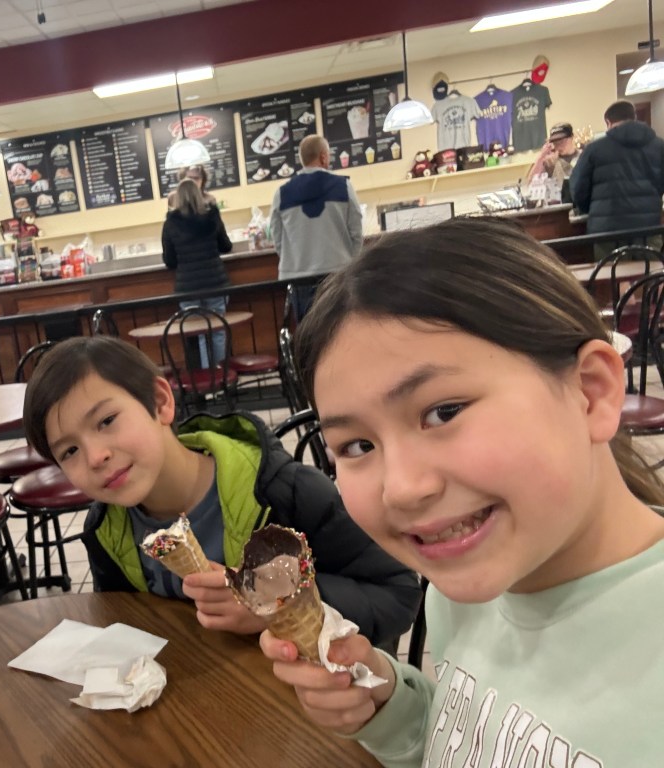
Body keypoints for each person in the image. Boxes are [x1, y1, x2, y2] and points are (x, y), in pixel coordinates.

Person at [261, 217, 664, 765]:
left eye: (442, 411)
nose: (401, 490)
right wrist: (387, 702)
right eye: (356, 446)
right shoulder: (464, 586)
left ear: (590, 393)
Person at [22, 336, 422, 649]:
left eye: (107, 420)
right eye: (69, 451)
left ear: (160, 402)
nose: (95, 456)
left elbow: (397, 594)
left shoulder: (285, 492)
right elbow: (125, 622)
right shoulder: (107, 529)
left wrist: (277, 606)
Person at [270, 135, 363, 321]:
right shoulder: (344, 187)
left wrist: (295, 261)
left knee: (307, 333)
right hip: (337, 273)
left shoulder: (281, 194)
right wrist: (350, 262)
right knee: (338, 330)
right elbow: (356, 232)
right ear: (323, 157)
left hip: (299, 277)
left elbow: (277, 238)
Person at [570, 99, 664, 258]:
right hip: (648, 228)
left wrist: (590, 208)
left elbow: (578, 189)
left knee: (610, 278)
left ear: (608, 121)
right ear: (634, 117)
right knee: (650, 277)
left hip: (607, 231)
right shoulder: (659, 146)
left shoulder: (594, 150)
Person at [161, 177, 233, 368]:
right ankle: (221, 376)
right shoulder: (212, 216)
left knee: (199, 332)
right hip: (215, 282)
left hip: (188, 286)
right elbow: (226, 246)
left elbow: (169, 260)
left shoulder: (170, 224)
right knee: (217, 328)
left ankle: (206, 378)